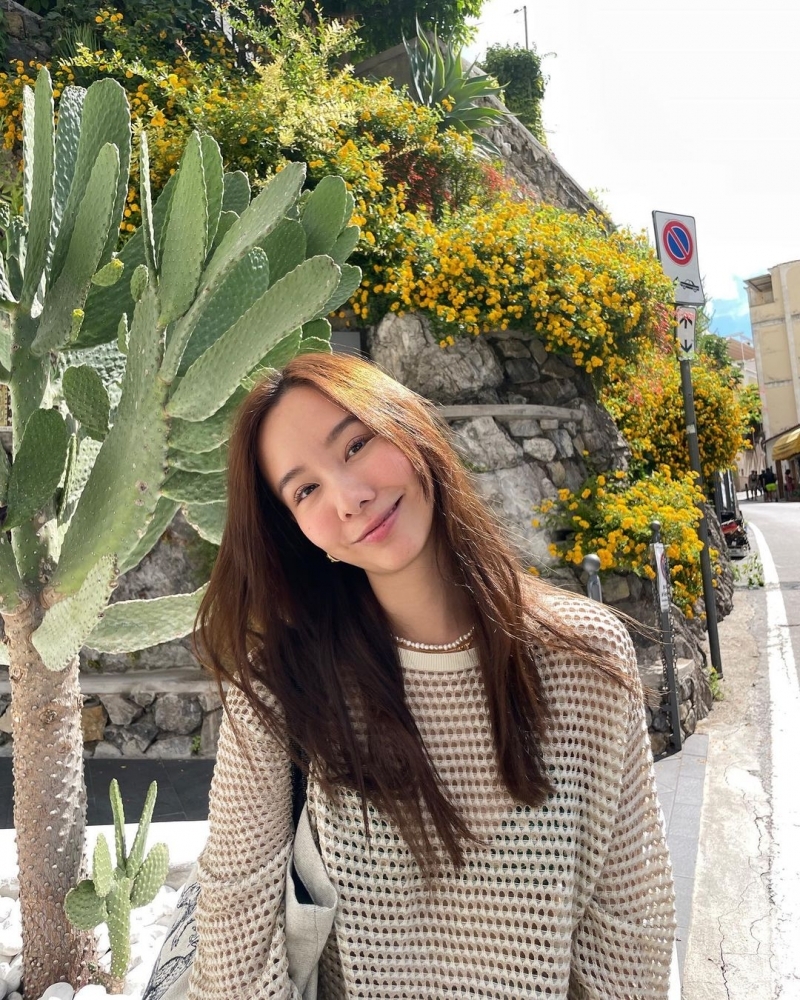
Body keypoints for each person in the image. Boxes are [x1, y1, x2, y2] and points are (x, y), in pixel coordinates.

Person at [188, 352, 675, 999]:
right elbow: (234, 930)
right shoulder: (282, 684)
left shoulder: (584, 655)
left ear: (409, 428)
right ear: (300, 532)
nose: (350, 498)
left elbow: (631, 929)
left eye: (356, 445)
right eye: (305, 491)